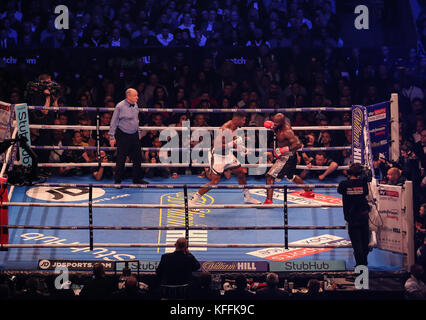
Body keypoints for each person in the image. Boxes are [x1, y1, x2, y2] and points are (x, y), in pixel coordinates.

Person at [189, 112, 261, 207]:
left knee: (240, 173)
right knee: (214, 182)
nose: (244, 122)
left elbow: (234, 139)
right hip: (218, 156)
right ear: (237, 119)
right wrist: (233, 144)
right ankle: (192, 201)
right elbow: (218, 146)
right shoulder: (225, 129)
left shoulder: (236, 127)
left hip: (228, 155)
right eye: (243, 120)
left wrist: (241, 147)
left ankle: (247, 196)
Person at [263, 113, 313, 205]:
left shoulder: (287, 131)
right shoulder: (278, 126)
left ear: (282, 123)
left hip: (287, 157)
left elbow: (298, 144)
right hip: (288, 156)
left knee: (270, 176)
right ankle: (308, 191)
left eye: (276, 123)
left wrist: (283, 150)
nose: (274, 124)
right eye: (273, 122)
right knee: (291, 177)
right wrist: (272, 126)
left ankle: (268, 201)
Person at [109, 88, 148, 184]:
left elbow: (136, 120)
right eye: (135, 96)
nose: (137, 97)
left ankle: (137, 179)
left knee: (138, 157)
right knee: (121, 158)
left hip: (134, 134)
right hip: (123, 134)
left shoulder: (135, 105)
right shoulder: (120, 106)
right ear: (128, 96)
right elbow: (113, 122)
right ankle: (118, 181)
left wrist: (138, 132)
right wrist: (111, 137)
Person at [337, 163, 371, 267]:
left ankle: (361, 269)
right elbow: (365, 192)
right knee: (364, 245)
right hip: (363, 217)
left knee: (358, 246)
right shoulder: (362, 183)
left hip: (352, 218)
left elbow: (340, 191)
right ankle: (363, 267)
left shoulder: (344, 184)